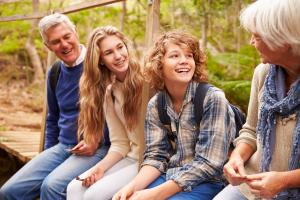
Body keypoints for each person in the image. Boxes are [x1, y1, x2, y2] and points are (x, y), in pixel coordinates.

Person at [113, 30, 236, 200]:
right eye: (174, 56)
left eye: (189, 56)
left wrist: (155, 194)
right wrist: (132, 187)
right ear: (159, 64)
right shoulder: (156, 105)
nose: (184, 61)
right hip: (172, 174)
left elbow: (210, 163)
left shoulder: (212, 98)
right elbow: (156, 156)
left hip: (209, 181)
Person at [0, 13, 110, 200]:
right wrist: (46, 154)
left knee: (51, 187)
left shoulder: (100, 64)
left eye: (67, 37)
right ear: (48, 46)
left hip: (98, 146)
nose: (64, 45)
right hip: (63, 146)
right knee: (8, 192)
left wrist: (98, 137)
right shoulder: (55, 72)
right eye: (56, 41)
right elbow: (52, 119)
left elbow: (122, 112)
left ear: (75, 32)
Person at [213, 0, 300, 199]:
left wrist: (285, 180)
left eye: (257, 36)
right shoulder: (263, 73)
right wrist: (237, 157)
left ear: (283, 40)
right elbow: (251, 130)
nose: (251, 42)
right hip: (253, 182)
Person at [66, 26, 145, 200]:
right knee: (74, 188)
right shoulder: (110, 93)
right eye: (109, 52)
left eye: (120, 47)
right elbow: (120, 143)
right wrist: (100, 168)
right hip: (132, 157)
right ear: (100, 60)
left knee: (94, 195)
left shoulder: (147, 82)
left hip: (150, 160)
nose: (118, 56)